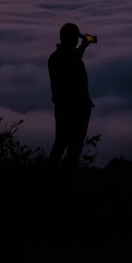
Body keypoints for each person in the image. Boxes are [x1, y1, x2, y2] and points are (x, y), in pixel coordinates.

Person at [48, 22, 95, 175]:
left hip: (63, 106)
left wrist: (83, 45)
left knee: (61, 142)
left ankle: (52, 172)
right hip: (75, 107)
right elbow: (73, 59)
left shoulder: (56, 57)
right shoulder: (66, 57)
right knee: (73, 146)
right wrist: (84, 44)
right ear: (72, 39)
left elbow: (74, 56)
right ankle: (67, 175)